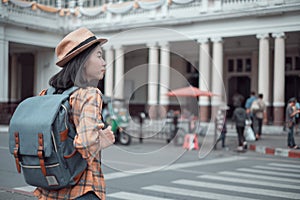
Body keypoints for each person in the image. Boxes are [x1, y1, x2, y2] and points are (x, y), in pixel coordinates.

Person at [34, 27, 115, 200]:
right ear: (84, 60)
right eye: (99, 56)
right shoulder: (89, 94)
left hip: (48, 190)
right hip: (81, 190)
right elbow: (86, 144)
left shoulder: (46, 95)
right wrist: (101, 141)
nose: (104, 62)